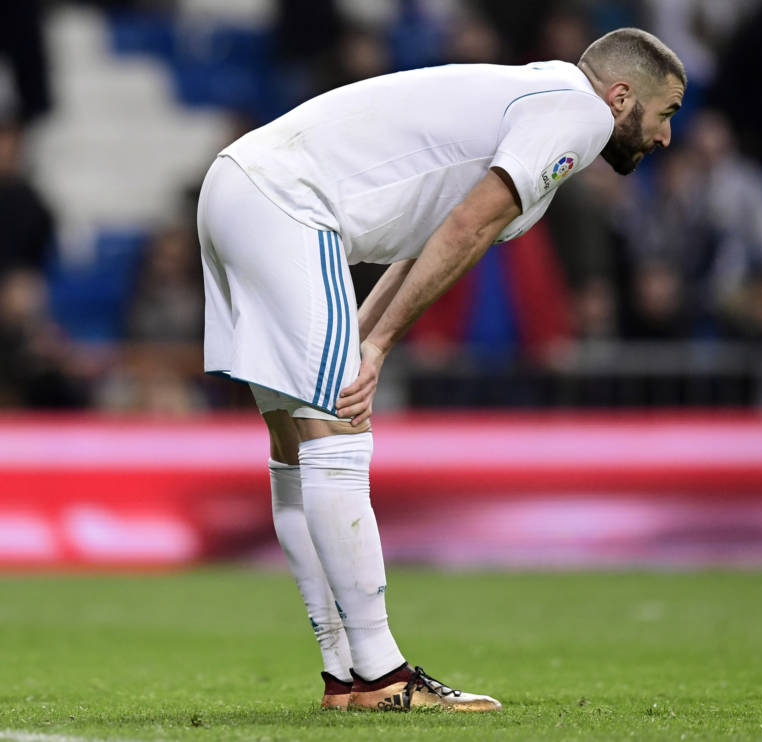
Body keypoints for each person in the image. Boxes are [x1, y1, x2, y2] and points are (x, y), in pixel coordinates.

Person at [198, 27, 686, 712]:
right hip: (288, 201)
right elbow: (465, 230)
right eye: (666, 113)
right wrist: (377, 347)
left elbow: (430, 241)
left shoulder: (536, 97)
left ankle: (345, 673)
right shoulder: (579, 112)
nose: (665, 135)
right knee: (338, 437)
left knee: (295, 446)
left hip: (238, 185)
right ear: (622, 96)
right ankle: (381, 676)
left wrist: (366, 334)